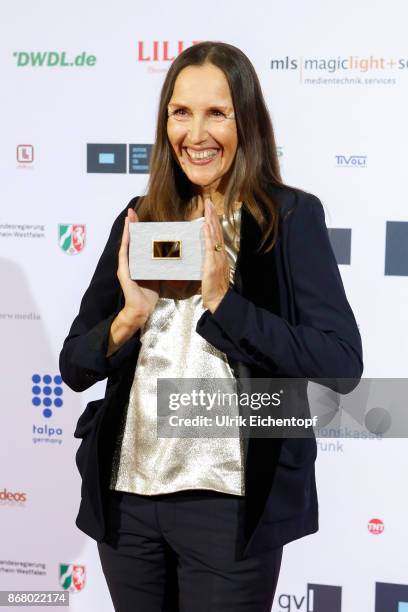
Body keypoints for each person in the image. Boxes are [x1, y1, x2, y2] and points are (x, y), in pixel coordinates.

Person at [59, 41, 363, 612]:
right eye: (181, 112)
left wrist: (224, 302)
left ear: (245, 120)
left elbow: (341, 364)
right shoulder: (140, 218)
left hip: (228, 507)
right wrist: (128, 319)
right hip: (127, 505)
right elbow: (74, 365)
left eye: (216, 112)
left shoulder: (289, 217)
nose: (196, 133)